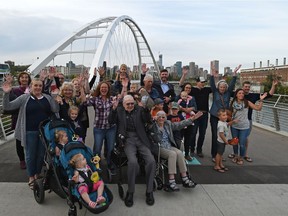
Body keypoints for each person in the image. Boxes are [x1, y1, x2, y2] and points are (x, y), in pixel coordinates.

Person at [2, 78, 59, 189]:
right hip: (29, 131)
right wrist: (6, 94)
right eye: (35, 85)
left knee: (41, 155)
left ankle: (37, 174)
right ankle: (31, 176)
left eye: (40, 86)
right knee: (30, 155)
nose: (38, 88)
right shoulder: (24, 98)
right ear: (31, 86)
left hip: (44, 132)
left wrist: (54, 97)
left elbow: (55, 109)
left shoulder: (47, 97)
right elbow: (7, 107)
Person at [108, 95, 156, 207]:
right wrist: (113, 109)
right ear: (123, 104)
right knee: (133, 162)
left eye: (131, 103)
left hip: (141, 138)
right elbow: (110, 121)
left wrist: (145, 109)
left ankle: (149, 191)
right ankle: (131, 191)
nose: (130, 105)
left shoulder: (139, 109)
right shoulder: (119, 110)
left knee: (151, 161)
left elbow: (148, 120)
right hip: (127, 139)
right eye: (128, 104)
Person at [229, 80, 278, 162]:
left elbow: (269, 95)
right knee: (235, 139)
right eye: (245, 87)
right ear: (242, 88)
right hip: (235, 123)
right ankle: (236, 155)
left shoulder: (252, 97)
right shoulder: (234, 100)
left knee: (244, 140)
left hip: (247, 121)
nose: (247, 88)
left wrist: (273, 85)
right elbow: (226, 92)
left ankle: (244, 155)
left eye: (248, 87)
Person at [155, 110, 203, 191]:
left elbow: (180, 124)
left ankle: (184, 178)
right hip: (159, 148)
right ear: (156, 117)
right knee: (172, 154)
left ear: (165, 118)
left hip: (169, 146)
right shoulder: (153, 125)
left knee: (180, 153)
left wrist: (192, 119)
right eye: (159, 117)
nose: (161, 119)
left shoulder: (168, 124)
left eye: (163, 117)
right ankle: (171, 181)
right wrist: (152, 120)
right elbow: (147, 126)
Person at [84, 81, 117, 174]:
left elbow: (122, 99)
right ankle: (96, 164)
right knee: (97, 148)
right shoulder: (95, 99)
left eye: (105, 87)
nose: (104, 89)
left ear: (108, 89)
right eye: (102, 87)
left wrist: (125, 87)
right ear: (99, 89)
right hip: (99, 128)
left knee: (110, 148)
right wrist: (84, 87)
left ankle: (110, 163)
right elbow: (85, 102)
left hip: (111, 128)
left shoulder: (112, 99)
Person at [209, 65, 241, 162]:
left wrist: (235, 74)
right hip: (215, 116)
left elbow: (232, 83)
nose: (222, 88)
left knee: (223, 136)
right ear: (218, 87)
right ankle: (214, 155)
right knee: (215, 135)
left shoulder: (228, 93)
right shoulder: (215, 92)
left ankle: (220, 155)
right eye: (220, 86)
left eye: (224, 87)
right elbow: (211, 84)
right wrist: (212, 75)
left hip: (224, 117)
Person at [179, 69, 212, 158]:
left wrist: (213, 75)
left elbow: (215, 87)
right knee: (193, 132)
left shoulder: (207, 90)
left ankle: (199, 149)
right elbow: (181, 85)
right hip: (195, 114)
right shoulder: (193, 90)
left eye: (203, 82)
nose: (202, 84)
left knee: (202, 133)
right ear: (197, 82)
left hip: (204, 114)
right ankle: (192, 148)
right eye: (201, 82)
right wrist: (184, 75)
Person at [230, 88, 267, 165]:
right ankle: (236, 156)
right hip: (234, 126)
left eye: (243, 93)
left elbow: (258, 108)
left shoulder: (247, 102)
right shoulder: (232, 102)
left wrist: (261, 100)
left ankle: (241, 157)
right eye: (239, 93)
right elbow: (230, 114)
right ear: (236, 94)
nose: (241, 95)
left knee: (242, 144)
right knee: (235, 142)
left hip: (244, 126)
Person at [4, 72, 31, 169]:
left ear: (29, 79)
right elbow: (11, 103)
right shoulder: (14, 90)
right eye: (22, 77)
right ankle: (22, 160)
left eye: (26, 77)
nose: (24, 79)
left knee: (30, 140)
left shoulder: (32, 89)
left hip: (30, 119)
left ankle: (30, 159)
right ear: (19, 79)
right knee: (19, 141)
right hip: (18, 118)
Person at [176, 90, 197, 161]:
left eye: (185, 95)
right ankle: (177, 153)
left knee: (188, 139)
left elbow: (195, 107)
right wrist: (184, 109)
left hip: (189, 120)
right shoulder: (178, 100)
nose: (184, 97)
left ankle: (187, 154)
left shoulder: (191, 99)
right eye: (183, 95)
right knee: (179, 138)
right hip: (181, 120)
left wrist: (190, 109)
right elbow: (176, 108)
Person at [214, 109, 231, 173]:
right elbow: (221, 134)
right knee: (219, 154)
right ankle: (216, 165)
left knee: (221, 154)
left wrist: (233, 121)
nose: (226, 116)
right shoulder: (221, 124)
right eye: (223, 115)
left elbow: (227, 124)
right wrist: (225, 141)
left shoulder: (223, 122)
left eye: (226, 115)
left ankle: (220, 164)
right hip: (221, 141)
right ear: (219, 117)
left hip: (222, 141)